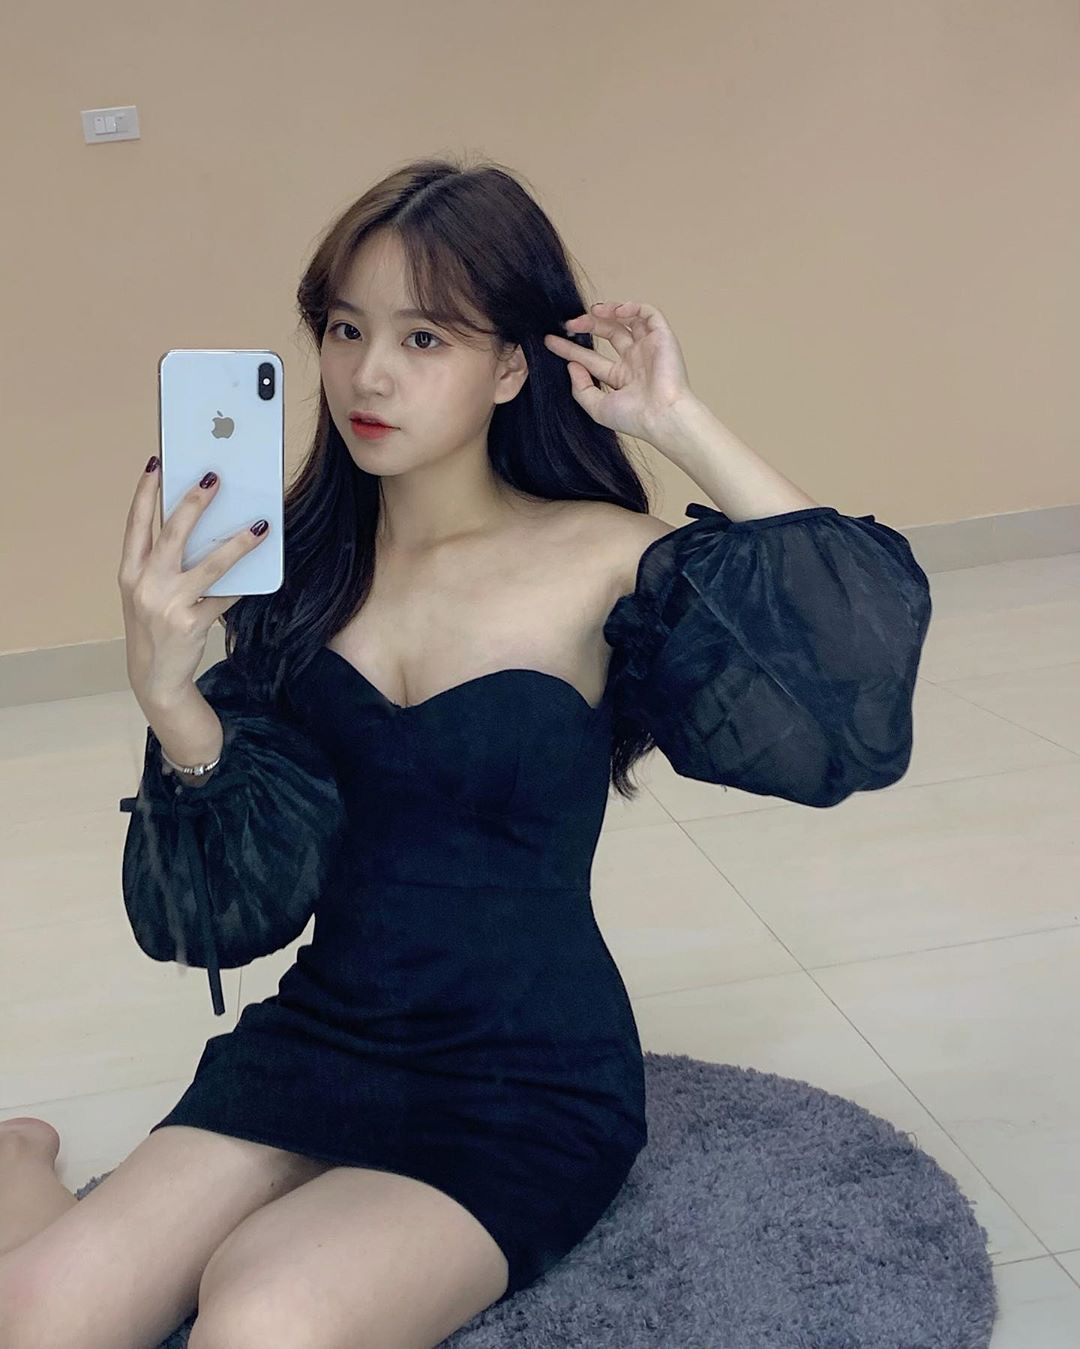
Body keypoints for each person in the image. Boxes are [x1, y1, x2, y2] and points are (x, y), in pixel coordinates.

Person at [0, 156, 932, 1349]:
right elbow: (229, 917)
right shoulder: (291, 577)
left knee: (264, 1314)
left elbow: (847, 679)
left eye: (425, 337)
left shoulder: (605, 558)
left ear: (509, 366)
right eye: (346, 329)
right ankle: (20, 1161)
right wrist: (171, 698)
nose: (368, 374)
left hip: (524, 1077)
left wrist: (676, 421)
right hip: (324, 1033)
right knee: (36, 1314)